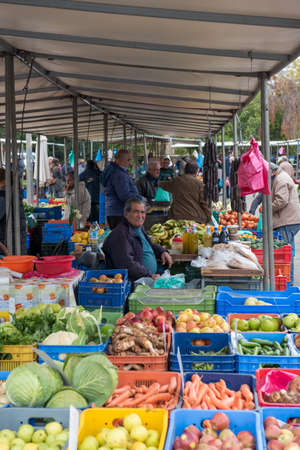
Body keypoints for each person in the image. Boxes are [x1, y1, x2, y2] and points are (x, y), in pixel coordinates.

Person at [102, 198, 172, 282]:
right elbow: (127, 264)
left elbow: (149, 244)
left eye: (142, 212)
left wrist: (162, 251)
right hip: (134, 283)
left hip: (149, 278)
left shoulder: (139, 228)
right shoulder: (120, 234)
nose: (140, 216)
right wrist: (149, 275)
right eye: (136, 212)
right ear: (126, 214)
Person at [271, 163, 300, 282]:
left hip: (286, 221)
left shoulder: (281, 180)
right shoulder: (281, 177)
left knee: (286, 252)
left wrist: (268, 208)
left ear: (272, 172)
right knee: (289, 250)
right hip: (290, 220)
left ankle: (288, 280)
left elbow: (281, 200)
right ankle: (288, 278)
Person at [102, 149, 140, 229]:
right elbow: (124, 195)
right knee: (121, 239)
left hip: (114, 212)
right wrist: (138, 199)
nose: (129, 163)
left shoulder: (116, 171)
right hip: (119, 213)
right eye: (128, 160)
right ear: (121, 160)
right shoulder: (119, 174)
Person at [0, 168, 27, 254]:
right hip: (15, 243)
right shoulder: (14, 193)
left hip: (8, 243)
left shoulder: (3, 196)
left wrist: (4, 248)